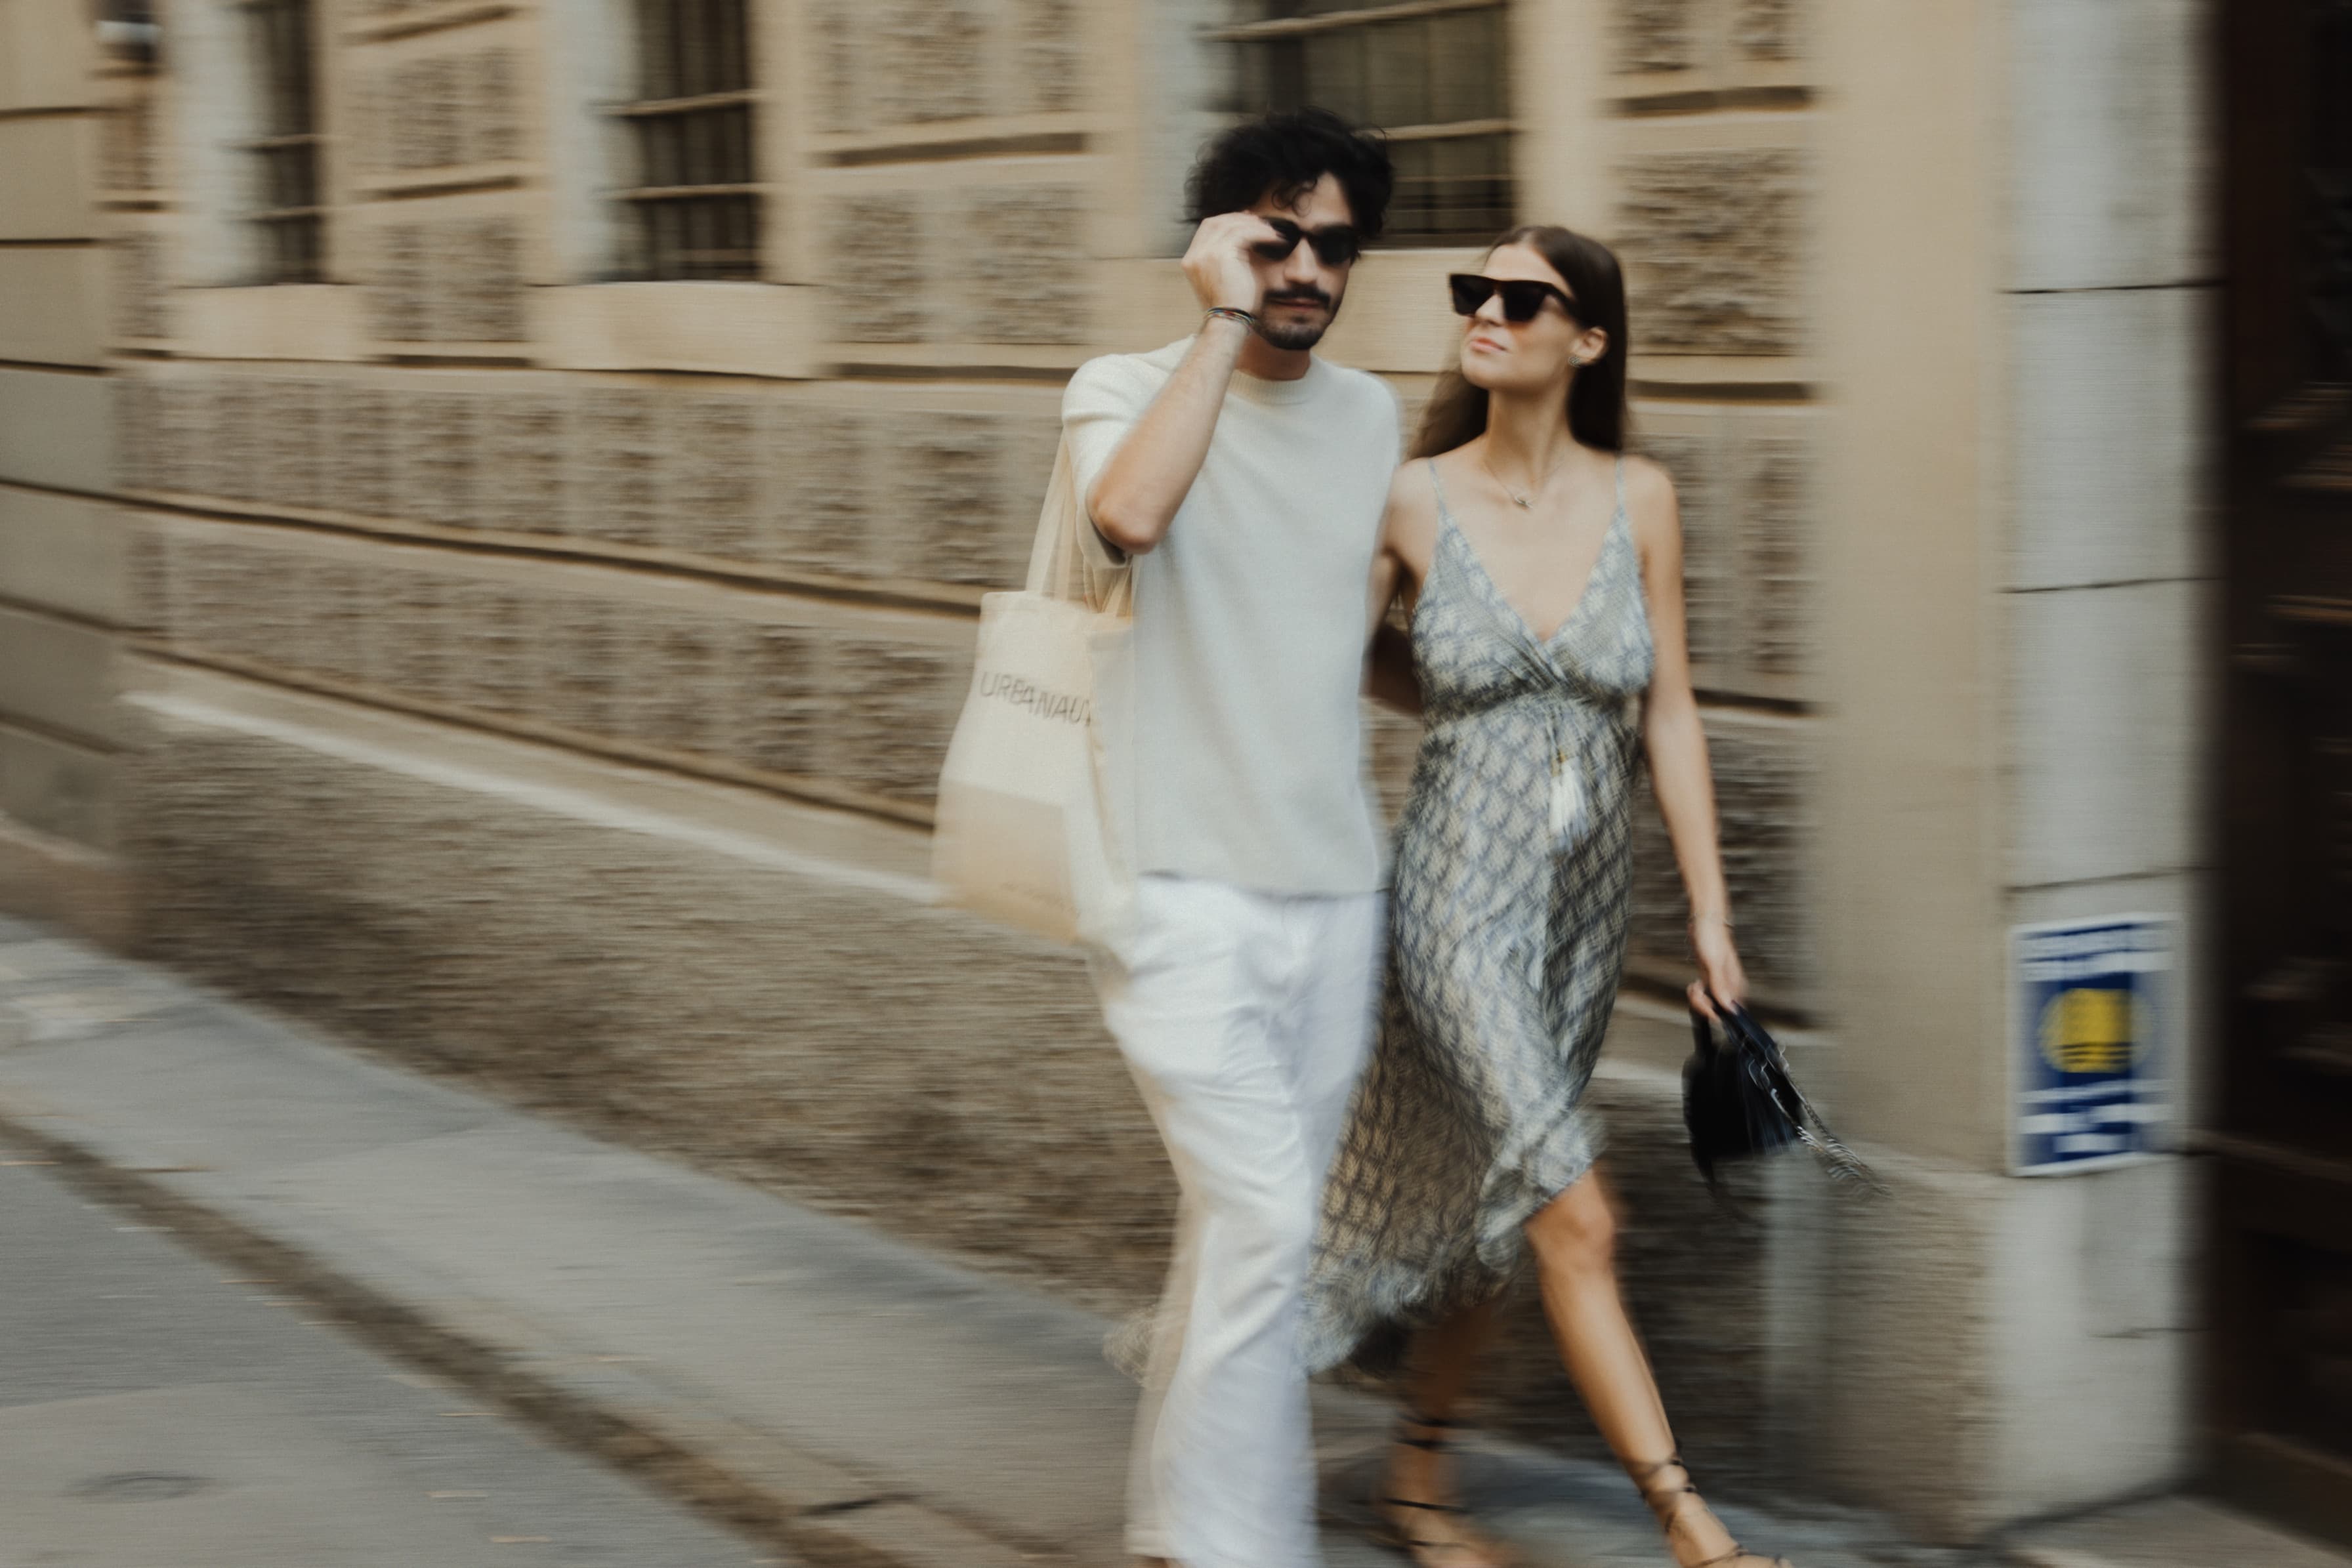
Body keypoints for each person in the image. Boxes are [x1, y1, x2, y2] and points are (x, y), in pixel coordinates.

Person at [1307, 227, 1792, 1568]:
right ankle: (1690, 1525)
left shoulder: (1641, 496)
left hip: (1582, 907)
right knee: (1575, 1207)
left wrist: (1707, 917)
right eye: (1476, 291)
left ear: (1587, 339)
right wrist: (1473, 713)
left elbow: (1672, 711)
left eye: (1526, 298)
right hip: (1455, 893)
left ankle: (1412, 1482)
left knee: (1499, 1208)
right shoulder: (1411, 497)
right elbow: (1331, 656)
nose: (1489, 311)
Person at [1062, 109, 1403, 1568]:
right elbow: (1125, 519)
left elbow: (1357, 635)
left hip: (1333, 888)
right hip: (1170, 887)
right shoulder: (1125, 386)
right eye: (1278, 237)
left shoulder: (1376, 416)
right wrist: (1215, 329)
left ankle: (1174, 1527)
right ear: (1219, 244)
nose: (1309, 268)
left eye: (1335, 242)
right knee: (1266, 1224)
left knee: (1241, 1234)